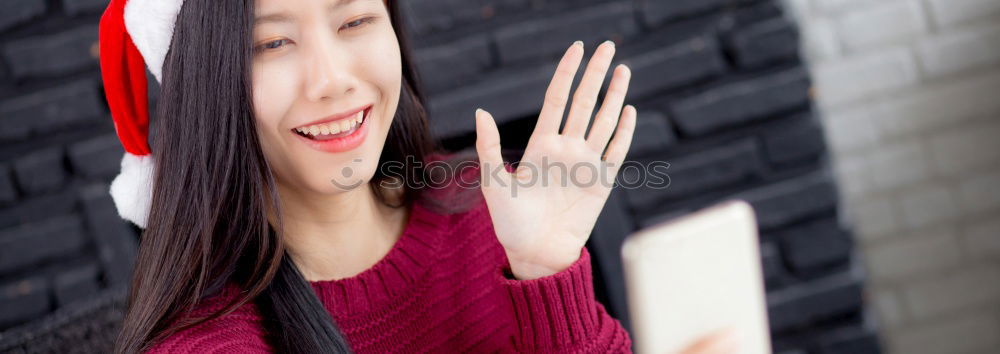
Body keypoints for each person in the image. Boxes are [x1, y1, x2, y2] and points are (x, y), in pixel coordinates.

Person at [97, 0, 738, 353]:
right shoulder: (212, 347)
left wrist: (545, 270)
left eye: (354, 22)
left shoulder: (491, 208)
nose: (333, 80)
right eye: (270, 44)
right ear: (204, 85)